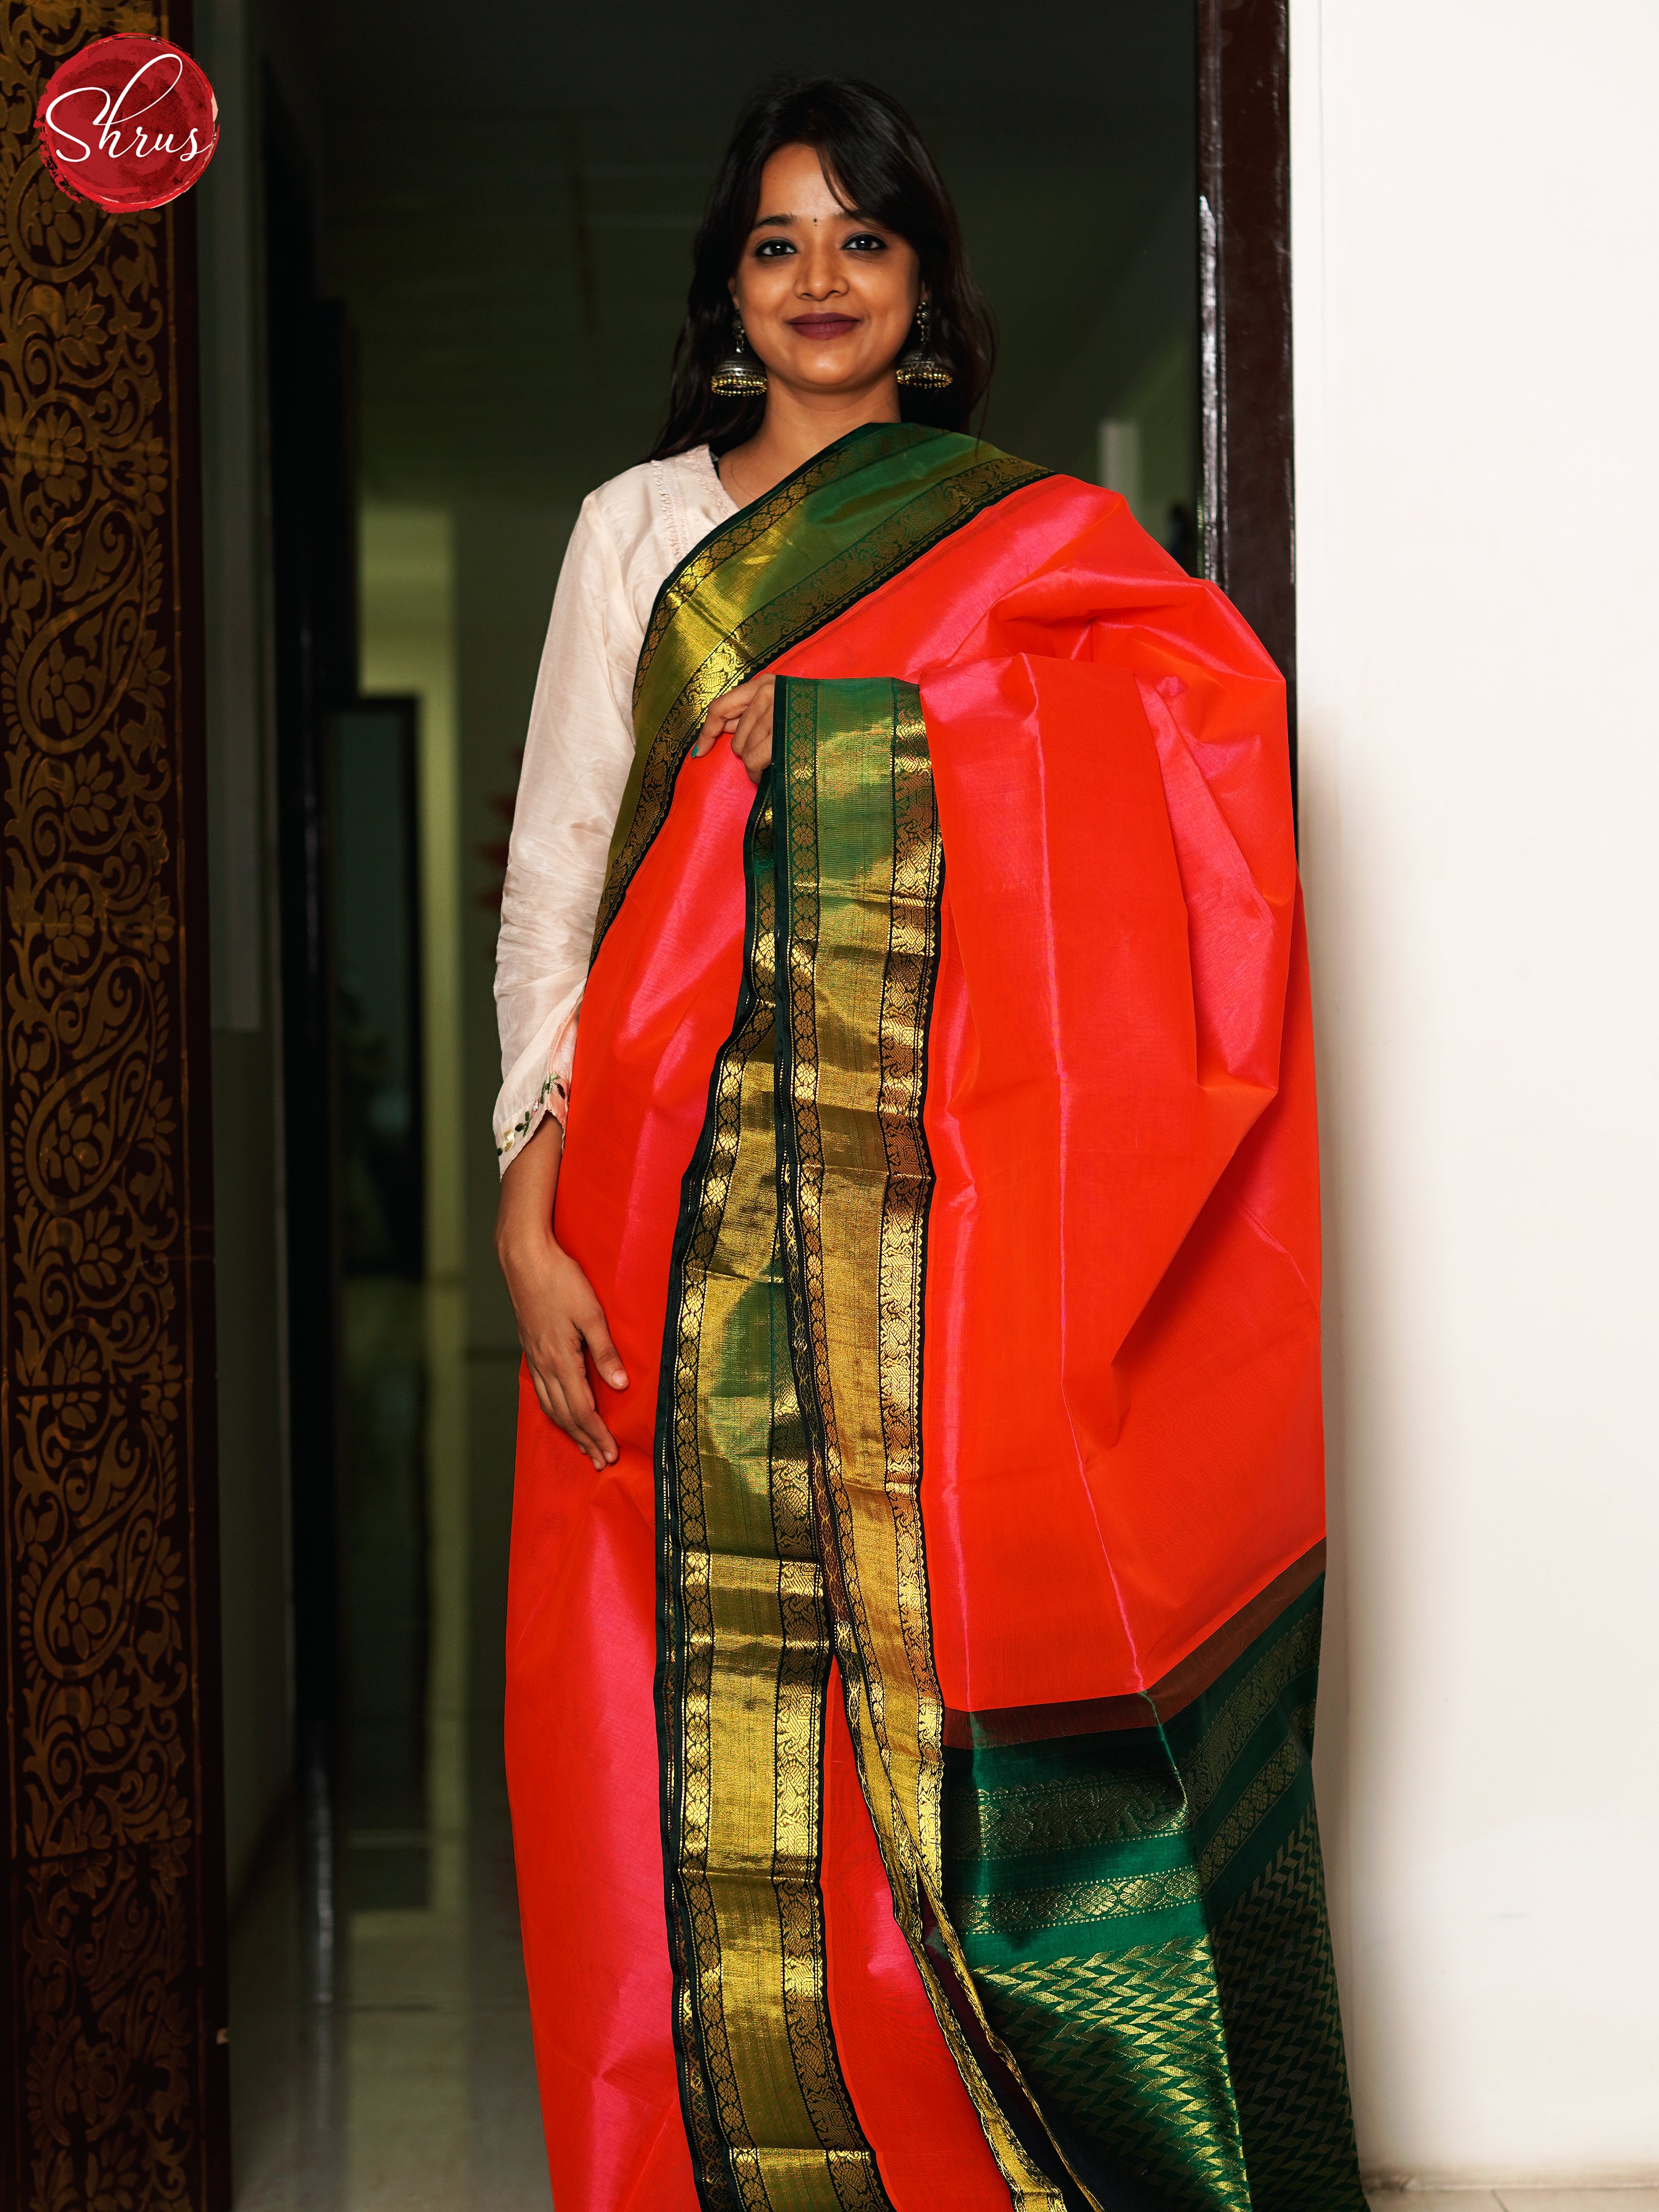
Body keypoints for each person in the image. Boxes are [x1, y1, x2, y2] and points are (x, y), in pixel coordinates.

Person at [494, 76, 1364, 2212]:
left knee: (959, 1645)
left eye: (859, 243)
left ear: (921, 290)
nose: (817, 283)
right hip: (661, 1187)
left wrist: (920, 735)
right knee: (673, 1710)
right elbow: (556, 887)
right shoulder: (640, 533)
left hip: (939, 1214)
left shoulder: (1022, 542)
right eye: (777, 243)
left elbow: (1197, 766)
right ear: (728, 290)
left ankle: (990, 2153)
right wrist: (524, 1185)